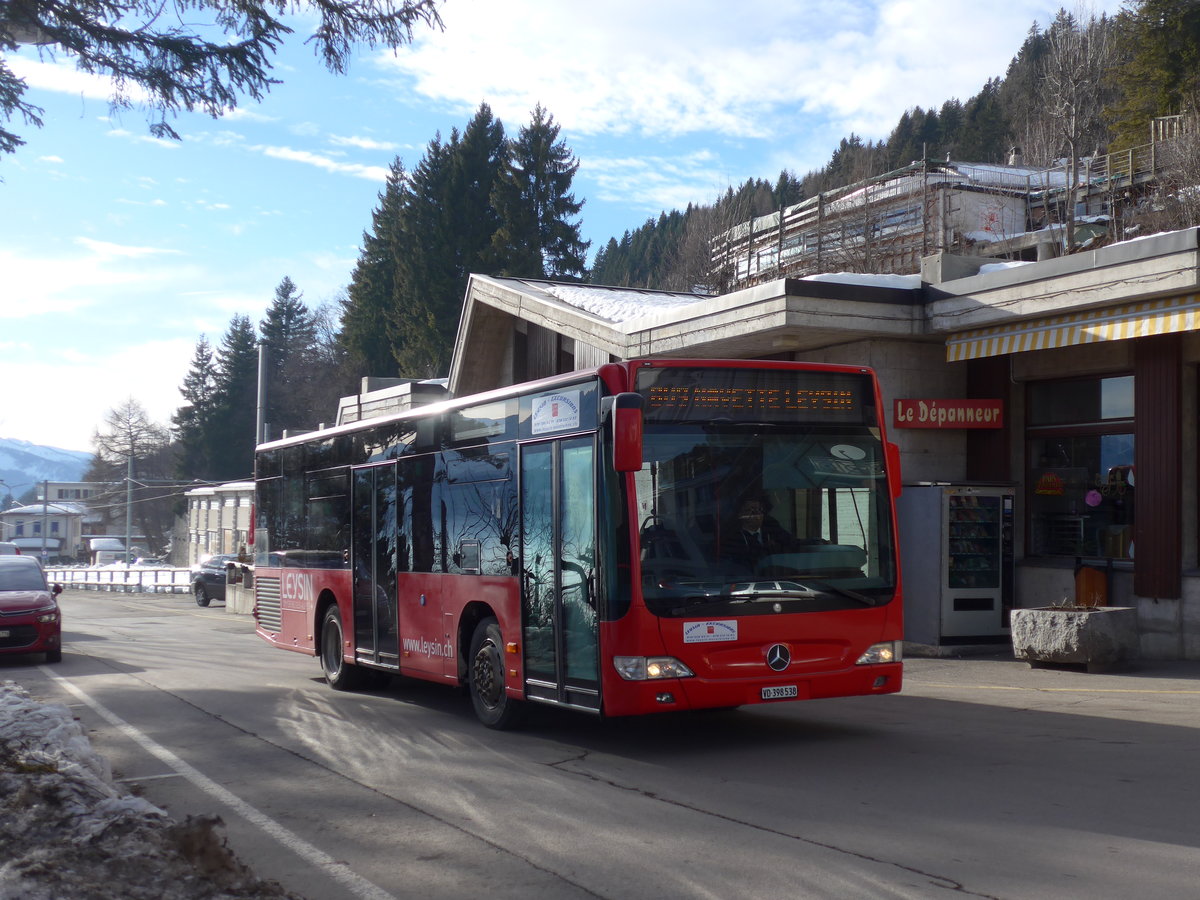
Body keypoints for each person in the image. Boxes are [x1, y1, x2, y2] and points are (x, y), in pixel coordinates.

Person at [719, 496, 795, 571]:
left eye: (759, 509)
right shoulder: (733, 539)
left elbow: (791, 543)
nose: (756, 513)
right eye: (750, 510)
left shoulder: (772, 528)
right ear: (740, 514)